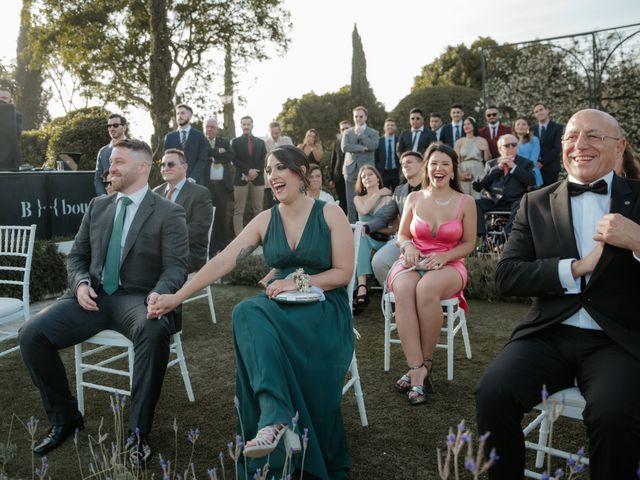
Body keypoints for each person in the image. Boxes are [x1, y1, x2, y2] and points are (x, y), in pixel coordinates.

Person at [148, 145, 354, 479]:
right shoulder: (265, 219)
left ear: (300, 172)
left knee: (255, 313)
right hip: (279, 309)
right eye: (268, 170)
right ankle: (274, 419)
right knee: (245, 311)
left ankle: (279, 421)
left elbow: (343, 273)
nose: (271, 177)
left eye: (278, 169)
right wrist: (177, 296)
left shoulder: (329, 213)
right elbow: (223, 260)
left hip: (322, 309)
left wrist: (296, 281)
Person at [475, 109, 640, 480]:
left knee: (614, 416)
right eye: (571, 137)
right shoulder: (535, 202)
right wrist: (575, 268)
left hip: (617, 340)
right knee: (493, 393)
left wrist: (638, 240)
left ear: (620, 147)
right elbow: (507, 276)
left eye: (594, 136)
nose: (580, 145)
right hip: (548, 334)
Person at [19, 139, 188, 465]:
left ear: (142, 167)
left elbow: (176, 266)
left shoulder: (169, 211)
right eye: (111, 161)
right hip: (93, 298)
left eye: (119, 162)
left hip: (139, 299)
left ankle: (138, 435)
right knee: (31, 335)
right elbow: (78, 257)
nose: (110, 168)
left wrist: (159, 292)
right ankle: (66, 418)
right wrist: (80, 283)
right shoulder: (98, 205)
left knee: (153, 332)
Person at [387, 143, 476, 405]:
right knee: (404, 289)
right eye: (434, 163)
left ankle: (425, 363)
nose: (439, 168)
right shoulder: (414, 198)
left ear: (452, 170)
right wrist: (409, 246)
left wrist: (444, 256)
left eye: (445, 164)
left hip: (450, 263)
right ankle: (417, 369)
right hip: (414, 260)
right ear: (427, 167)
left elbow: (469, 244)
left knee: (426, 290)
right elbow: (401, 235)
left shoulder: (466, 202)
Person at [370, 151, 425, 286]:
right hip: (403, 239)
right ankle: (395, 297)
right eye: (402, 164)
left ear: (422, 165)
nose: (405, 165)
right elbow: (386, 215)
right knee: (379, 262)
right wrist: (367, 226)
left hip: (428, 240)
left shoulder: (432, 187)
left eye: (409, 162)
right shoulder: (399, 190)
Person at [153, 149, 213, 272]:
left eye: (170, 164)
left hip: (188, 253)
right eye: (163, 165)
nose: (165, 168)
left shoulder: (200, 193)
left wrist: (164, 242)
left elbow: (198, 229)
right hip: (156, 251)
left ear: (184, 167)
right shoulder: (155, 193)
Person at [473, 134, 536, 237]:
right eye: (507, 145)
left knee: (522, 203)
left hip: (515, 201)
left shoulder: (526, 163)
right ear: (500, 149)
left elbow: (531, 181)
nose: (511, 147)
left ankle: (507, 236)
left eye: (514, 145)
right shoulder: (491, 164)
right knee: (474, 203)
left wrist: (514, 167)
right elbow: (478, 186)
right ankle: (482, 237)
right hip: (493, 200)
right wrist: (497, 169)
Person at [353, 165, 395, 311]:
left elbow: (394, 229)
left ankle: (362, 288)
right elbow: (364, 210)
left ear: (377, 177)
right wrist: (379, 193)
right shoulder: (358, 199)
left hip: (384, 241)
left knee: (362, 234)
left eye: (370, 174)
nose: (367, 178)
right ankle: (362, 287)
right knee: (362, 237)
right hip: (365, 240)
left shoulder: (389, 199)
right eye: (363, 177)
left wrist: (375, 228)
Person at [342, 106, 379, 223]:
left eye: (361, 116)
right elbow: (344, 147)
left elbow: (373, 146)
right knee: (351, 203)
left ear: (366, 117)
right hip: (350, 170)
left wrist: (362, 135)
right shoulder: (347, 132)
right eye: (356, 116)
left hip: (366, 172)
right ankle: (351, 231)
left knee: (368, 201)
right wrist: (362, 148)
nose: (358, 118)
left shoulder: (373, 132)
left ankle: (367, 229)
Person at [231, 115, 267, 235]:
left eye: (248, 124)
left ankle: (259, 236)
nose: (246, 126)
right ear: (241, 126)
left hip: (257, 180)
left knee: (258, 209)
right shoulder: (235, 142)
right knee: (238, 211)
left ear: (252, 125)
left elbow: (263, 160)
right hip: (240, 180)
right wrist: (247, 172)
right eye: (244, 124)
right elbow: (234, 160)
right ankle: (239, 238)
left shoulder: (261, 143)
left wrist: (254, 173)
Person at [204, 118, 235, 255]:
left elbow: (230, 155)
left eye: (212, 127)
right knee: (208, 215)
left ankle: (223, 246)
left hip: (222, 185)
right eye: (207, 127)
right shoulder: (201, 141)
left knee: (221, 216)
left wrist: (213, 157)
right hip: (206, 185)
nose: (209, 129)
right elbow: (203, 153)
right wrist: (217, 151)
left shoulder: (225, 142)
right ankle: (210, 246)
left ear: (217, 129)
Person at [163, 104, 209, 185]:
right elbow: (167, 160)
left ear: (190, 116)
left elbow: (202, 159)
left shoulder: (199, 136)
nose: (179, 116)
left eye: (182, 113)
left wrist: (193, 178)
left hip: (195, 182)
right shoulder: (169, 137)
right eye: (178, 113)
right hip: (175, 182)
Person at [454, 116, 491, 199]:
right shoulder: (459, 142)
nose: (466, 126)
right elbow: (456, 160)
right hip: (464, 169)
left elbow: (487, 159)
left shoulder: (482, 140)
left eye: (469, 124)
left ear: (474, 126)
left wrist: (486, 149)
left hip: (478, 169)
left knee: (478, 195)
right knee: (464, 196)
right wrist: (460, 174)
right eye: (464, 125)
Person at [95, 114, 127, 196]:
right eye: (109, 126)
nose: (112, 128)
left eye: (115, 125)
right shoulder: (103, 151)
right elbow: (98, 178)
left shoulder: (134, 148)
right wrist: (104, 197)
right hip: (109, 200)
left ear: (124, 127)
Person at [532, 101, 563, 186]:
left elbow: (557, 148)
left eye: (541, 110)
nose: (539, 113)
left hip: (551, 168)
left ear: (547, 110)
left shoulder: (557, 128)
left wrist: (542, 162)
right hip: (535, 169)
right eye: (536, 112)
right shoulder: (532, 129)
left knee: (550, 194)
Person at [514, 116, 543, 187]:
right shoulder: (511, 140)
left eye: (524, 124)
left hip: (531, 172)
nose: (521, 126)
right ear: (514, 127)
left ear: (528, 127)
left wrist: (522, 170)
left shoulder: (534, 140)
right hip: (515, 173)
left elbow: (534, 158)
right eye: (518, 124)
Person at [329, 120, 350, 215]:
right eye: (343, 129)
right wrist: (331, 178)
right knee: (342, 200)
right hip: (339, 176)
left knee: (351, 200)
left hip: (351, 175)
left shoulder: (355, 141)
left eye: (347, 128)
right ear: (340, 130)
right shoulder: (337, 143)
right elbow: (333, 160)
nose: (345, 130)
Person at [375, 118, 400, 190]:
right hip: (382, 172)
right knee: (383, 194)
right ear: (384, 127)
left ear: (395, 127)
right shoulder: (379, 141)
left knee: (397, 193)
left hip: (396, 172)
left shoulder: (399, 140)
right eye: (388, 125)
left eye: (392, 125)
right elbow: (375, 158)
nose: (390, 127)